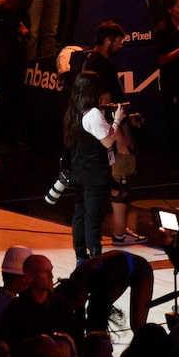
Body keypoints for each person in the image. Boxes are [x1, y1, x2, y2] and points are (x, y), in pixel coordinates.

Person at [63, 70, 123, 260]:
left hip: (79, 171)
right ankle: (95, 258)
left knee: (80, 214)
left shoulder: (73, 112)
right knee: (93, 218)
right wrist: (117, 120)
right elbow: (107, 141)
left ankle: (81, 256)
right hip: (94, 174)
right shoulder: (94, 113)